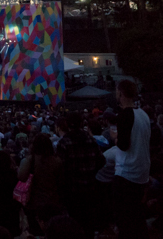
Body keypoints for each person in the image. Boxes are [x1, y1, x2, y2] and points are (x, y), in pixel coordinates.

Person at [55, 112, 105, 237]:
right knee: (88, 222)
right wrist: (91, 170)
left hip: (72, 189)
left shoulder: (64, 142)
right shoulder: (90, 139)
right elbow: (101, 160)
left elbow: (60, 168)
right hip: (90, 187)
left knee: (74, 222)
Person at [113, 79, 151, 239]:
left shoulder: (124, 115)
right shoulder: (143, 114)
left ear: (120, 93)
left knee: (126, 218)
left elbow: (123, 145)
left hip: (127, 173)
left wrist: (114, 137)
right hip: (142, 172)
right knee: (137, 215)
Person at [16, 133, 62, 236]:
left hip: (34, 202)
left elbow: (21, 177)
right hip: (53, 200)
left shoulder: (31, 160)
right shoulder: (57, 161)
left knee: (36, 229)